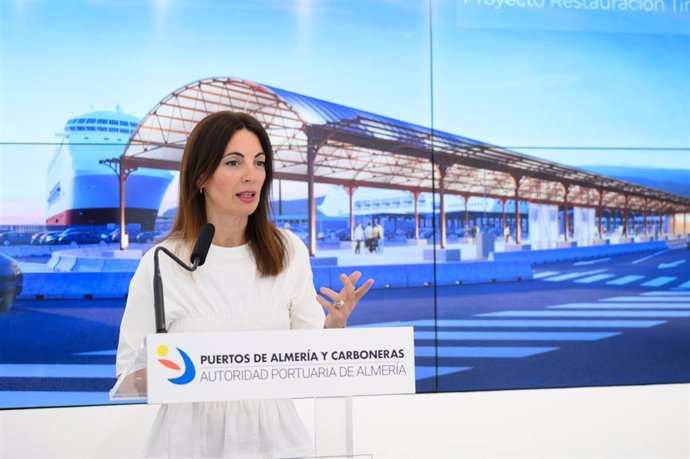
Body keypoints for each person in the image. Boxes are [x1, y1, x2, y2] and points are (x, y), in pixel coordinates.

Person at [115, 112, 374, 458]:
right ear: (201, 176)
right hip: (189, 444)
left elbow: (313, 360)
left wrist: (334, 327)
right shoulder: (162, 262)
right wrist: (174, 367)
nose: (251, 175)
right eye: (234, 162)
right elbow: (128, 375)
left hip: (276, 442)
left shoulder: (286, 251)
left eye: (260, 162)